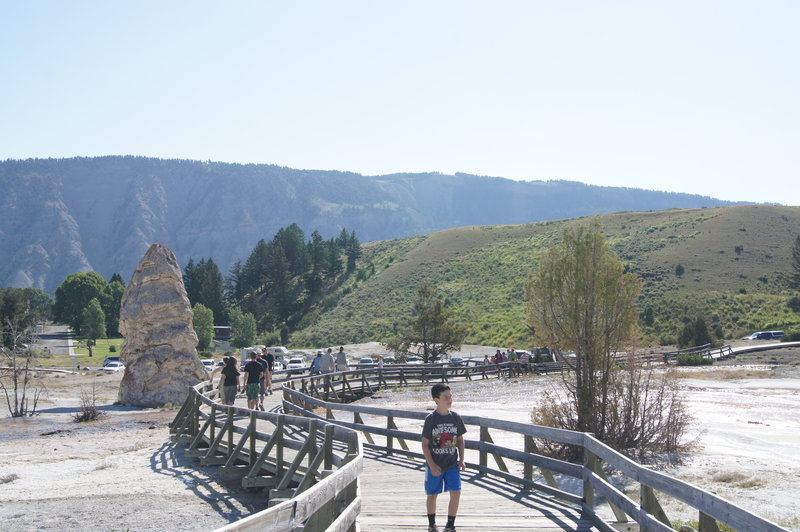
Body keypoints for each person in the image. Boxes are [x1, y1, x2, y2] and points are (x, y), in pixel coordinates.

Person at [421, 383, 466, 532]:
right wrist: (432, 465)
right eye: (445, 397)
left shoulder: (456, 417)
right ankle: (432, 524)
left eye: (450, 396)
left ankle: (450, 524)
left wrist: (461, 459)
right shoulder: (431, 419)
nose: (449, 399)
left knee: (456, 492)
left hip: (452, 464)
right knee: (432, 494)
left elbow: (460, 440)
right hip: (435, 464)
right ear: (436, 400)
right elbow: (425, 445)